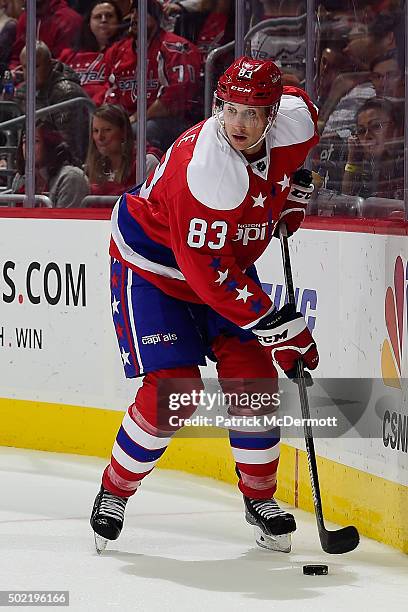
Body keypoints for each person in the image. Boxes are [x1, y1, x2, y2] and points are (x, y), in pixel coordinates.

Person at [90, 56, 319, 553]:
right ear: (217, 106)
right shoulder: (209, 171)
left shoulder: (298, 120)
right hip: (155, 267)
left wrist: (290, 198)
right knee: (175, 391)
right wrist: (281, 330)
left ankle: (259, 498)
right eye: (229, 109)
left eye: (252, 113)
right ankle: (115, 489)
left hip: (223, 261)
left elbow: (285, 169)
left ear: (274, 115)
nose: (238, 123)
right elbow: (208, 276)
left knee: (253, 381)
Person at [98, 0, 201, 151]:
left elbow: (175, 98)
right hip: (132, 120)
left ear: (157, 18)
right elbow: (108, 90)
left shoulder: (176, 48)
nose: (135, 17)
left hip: (174, 122)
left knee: (142, 130)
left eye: (142, 12)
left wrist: (134, 119)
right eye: (133, 12)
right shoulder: (117, 51)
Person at [15, 41, 91, 163]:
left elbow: (74, 147)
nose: (30, 73)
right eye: (25, 67)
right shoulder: (22, 92)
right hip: (36, 165)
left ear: (50, 64)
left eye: (35, 66)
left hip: (65, 167)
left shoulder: (67, 93)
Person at [85, 104, 161, 199]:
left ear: (123, 132)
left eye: (107, 130)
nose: (100, 137)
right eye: (96, 131)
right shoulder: (94, 167)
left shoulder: (146, 163)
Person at [11, 119, 89, 207]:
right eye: (25, 141)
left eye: (35, 141)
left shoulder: (71, 178)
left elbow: (64, 219)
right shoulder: (20, 178)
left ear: (50, 144)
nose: (28, 147)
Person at [59, 0, 123, 104]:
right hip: (65, 110)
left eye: (109, 16)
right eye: (98, 17)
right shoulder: (69, 55)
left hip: (100, 111)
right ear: (89, 23)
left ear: (118, 22)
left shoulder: (123, 53)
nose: (104, 20)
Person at [341, 96, 403, 201]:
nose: (367, 136)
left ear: (396, 128)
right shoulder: (367, 165)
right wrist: (352, 161)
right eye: (361, 130)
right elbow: (347, 203)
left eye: (376, 126)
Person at [9, 0, 83, 69]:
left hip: (57, 78)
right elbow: (16, 57)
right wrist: (14, 71)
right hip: (26, 77)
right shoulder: (26, 17)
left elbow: (64, 65)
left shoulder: (69, 20)